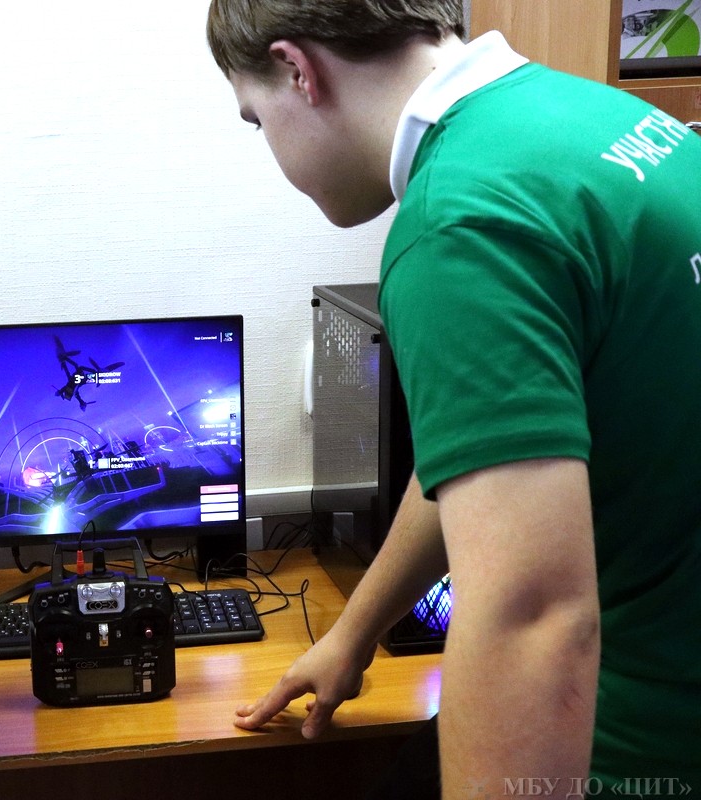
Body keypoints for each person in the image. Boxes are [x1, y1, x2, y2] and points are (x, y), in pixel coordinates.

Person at [206, 1, 701, 796]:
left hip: (645, 741)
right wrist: (355, 633)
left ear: (297, 70)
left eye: (256, 119)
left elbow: (532, 619)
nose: (271, 149)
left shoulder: (459, 225)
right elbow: (498, 456)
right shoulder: (590, 115)